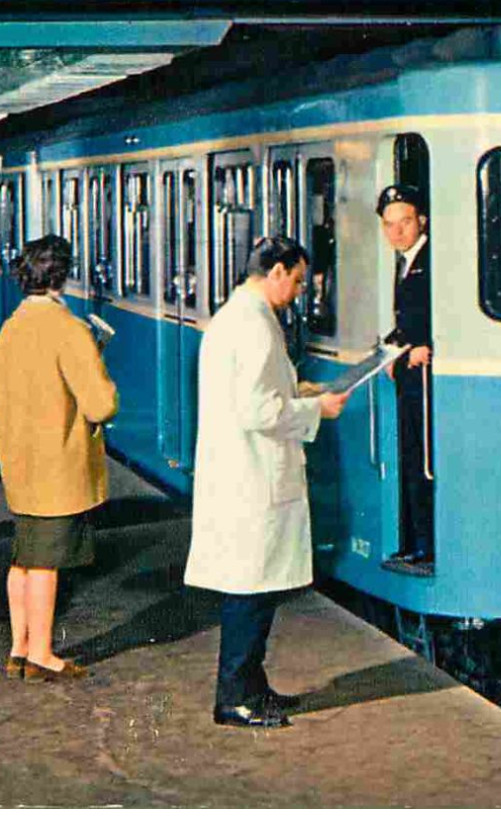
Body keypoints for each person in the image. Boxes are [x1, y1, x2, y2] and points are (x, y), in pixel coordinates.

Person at [184, 236, 349, 729]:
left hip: (246, 472)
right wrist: (314, 407)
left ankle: (252, 687)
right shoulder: (253, 325)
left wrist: (296, 390)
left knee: (255, 587)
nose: (298, 290)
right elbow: (256, 410)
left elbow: (252, 392)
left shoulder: (238, 317)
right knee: (249, 591)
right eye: (297, 279)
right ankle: (233, 697)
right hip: (252, 476)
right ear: (275, 271)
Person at [0, 235, 118, 681]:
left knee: (23, 556)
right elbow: (100, 405)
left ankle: (19, 646)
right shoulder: (68, 328)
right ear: (63, 275)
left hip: (19, 460)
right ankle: (42, 654)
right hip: (56, 463)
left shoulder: (11, 326)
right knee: (45, 561)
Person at [377, 183, 434, 568]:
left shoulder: (432, 261)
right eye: (389, 224)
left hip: (426, 380)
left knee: (421, 459)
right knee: (411, 457)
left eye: (406, 222)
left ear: (422, 221)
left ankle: (424, 544)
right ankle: (415, 541)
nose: (397, 232)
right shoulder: (407, 260)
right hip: (411, 376)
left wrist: (420, 346)